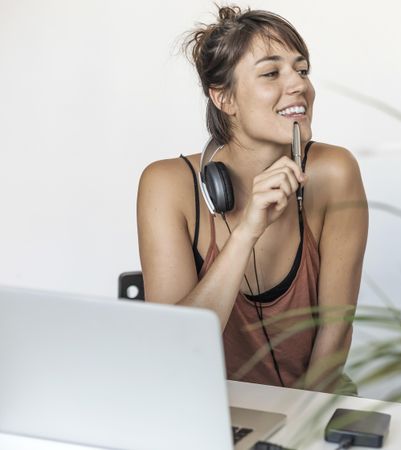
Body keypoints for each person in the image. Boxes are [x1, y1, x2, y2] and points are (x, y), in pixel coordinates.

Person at [136, 6, 368, 393]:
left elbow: (335, 334)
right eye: (271, 73)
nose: (299, 85)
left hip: (313, 402)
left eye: (302, 70)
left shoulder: (335, 172)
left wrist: (290, 432)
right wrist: (246, 232)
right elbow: (171, 349)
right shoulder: (167, 185)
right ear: (224, 98)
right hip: (203, 404)